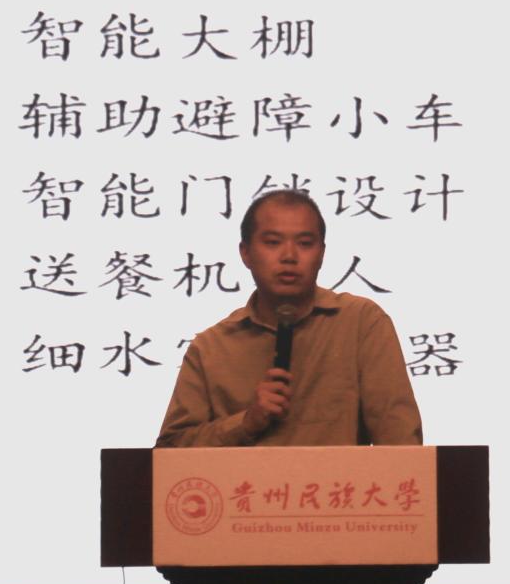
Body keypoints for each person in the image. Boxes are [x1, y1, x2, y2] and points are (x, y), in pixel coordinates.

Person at [155, 189, 422, 447]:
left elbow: (400, 440)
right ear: (245, 253)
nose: (289, 257)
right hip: (246, 480)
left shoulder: (361, 322)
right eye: (273, 242)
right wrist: (245, 423)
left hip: (340, 480)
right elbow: (170, 452)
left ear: (322, 253)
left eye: (305, 244)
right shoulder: (210, 348)